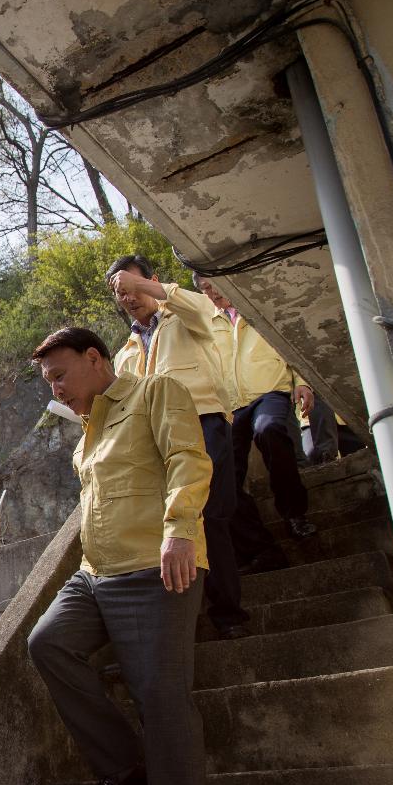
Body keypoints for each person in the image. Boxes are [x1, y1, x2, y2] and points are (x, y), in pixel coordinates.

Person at [28, 327, 210, 785]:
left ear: (95, 358)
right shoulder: (85, 435)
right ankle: (123, 766)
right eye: (49, 381)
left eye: (59, 376)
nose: (55, 390)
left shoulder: (156, 391)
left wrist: (179, 531)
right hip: (93, 576)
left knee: (162, 699)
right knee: (47, 643)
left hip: (157, 567)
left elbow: (187, 460)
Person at [106, 255, 248, 640]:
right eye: (121, 294)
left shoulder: (186, 313)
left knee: (210, 516)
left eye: (132, 288)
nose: (129, 298)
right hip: (158, 441)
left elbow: (198, 306)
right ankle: (194, 612)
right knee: (175, 525)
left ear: (152, 281)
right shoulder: (126, 353)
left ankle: (228, 614)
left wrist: (144, 286)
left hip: (204, 422)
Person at [193, 275, 318, 550]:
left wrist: (303, 383)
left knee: (269, 429)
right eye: (205, 289)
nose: (212, 292)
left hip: (270, 392)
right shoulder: (204, 322)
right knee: (221, 473)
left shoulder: (259, 308)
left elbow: (291, 349)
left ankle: (294, 512)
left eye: (214, 284)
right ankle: (258, 544)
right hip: (230, 406)